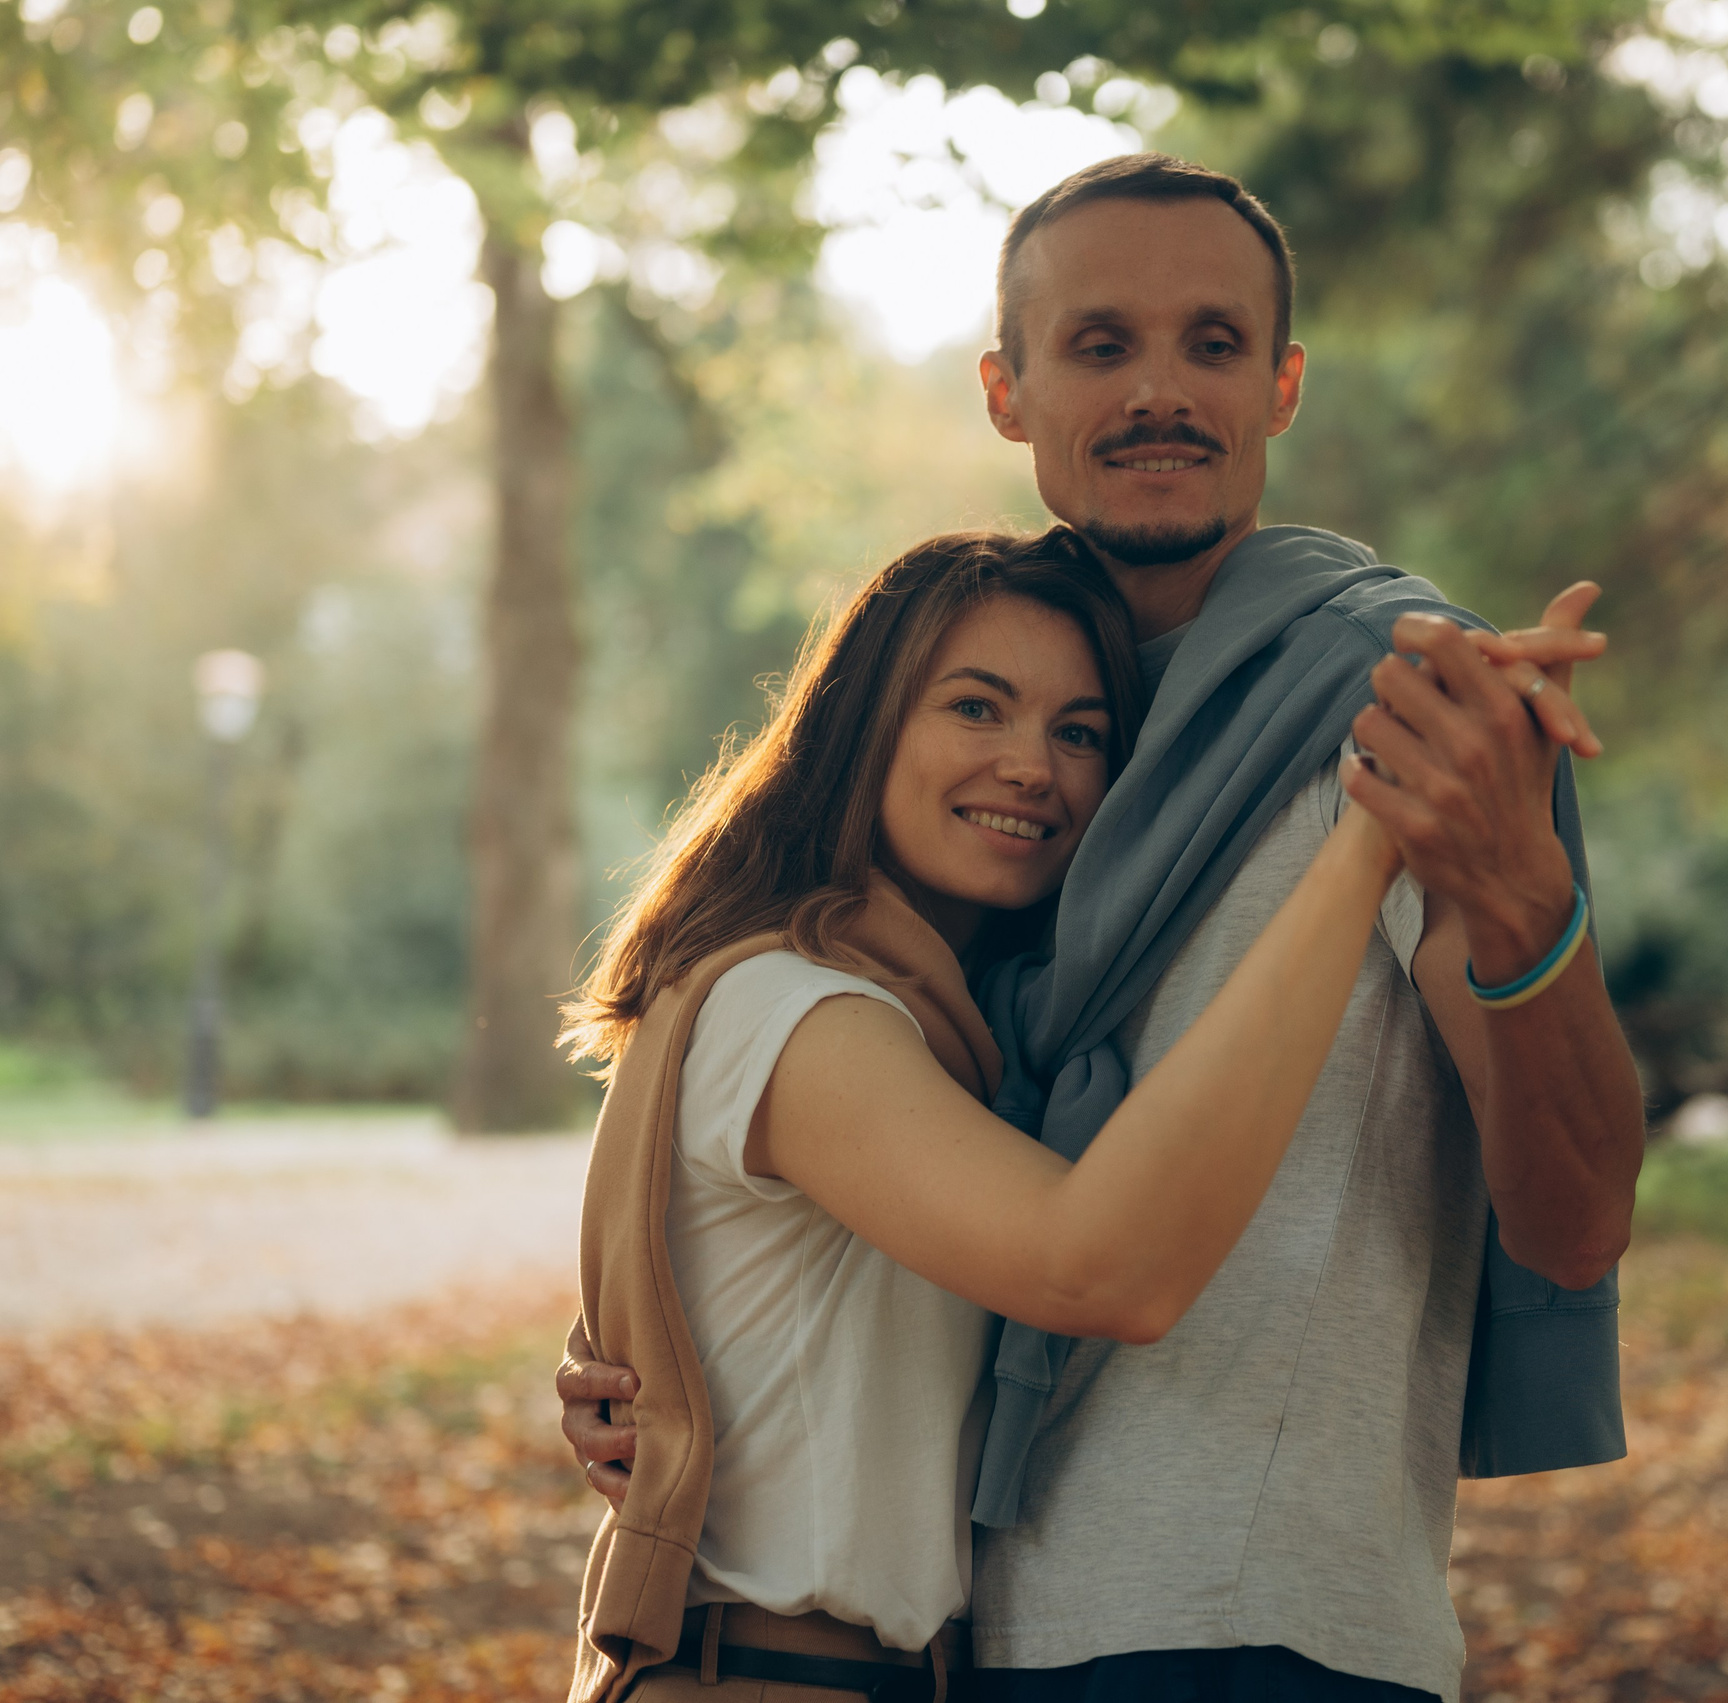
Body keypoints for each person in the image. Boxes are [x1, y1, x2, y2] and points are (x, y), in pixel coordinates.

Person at [563, 154, 1648, 1703]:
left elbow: (1575, 1226)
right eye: (1100, 344)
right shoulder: (1006, 809)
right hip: (976, 1637)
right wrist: (662, 1372)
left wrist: (1521, 895)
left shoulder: (1405, 716)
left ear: (1281, 387)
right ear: (1007, 393)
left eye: (1213, 344)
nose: (1159, 391)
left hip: (1254, 1618)